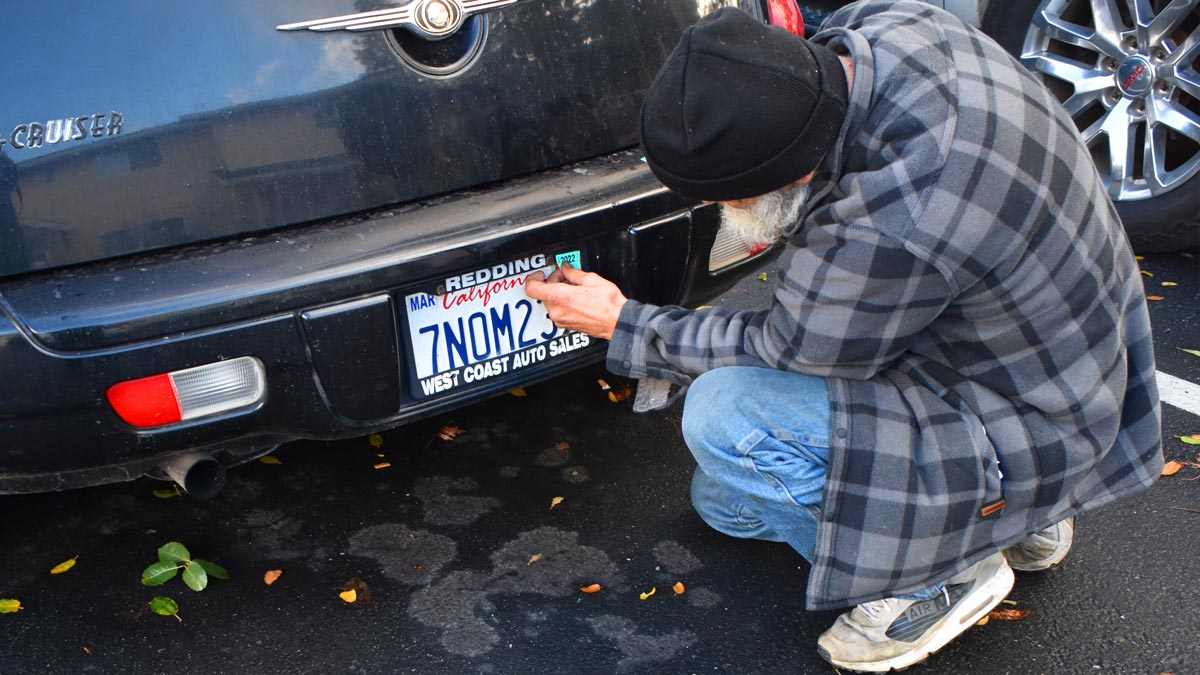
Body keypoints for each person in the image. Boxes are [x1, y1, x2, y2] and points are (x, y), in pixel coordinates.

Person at [525, 1, 1163, 671]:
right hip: (1073, 375)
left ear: (795, 171)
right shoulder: (890, 29)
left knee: (724, 419)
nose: (723, 214)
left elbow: (787, 350)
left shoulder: (894, 212)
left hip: (1032, 423)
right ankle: (1018, 516)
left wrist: (623, 322)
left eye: (729, 200)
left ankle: (939, 574)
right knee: (724, 505)